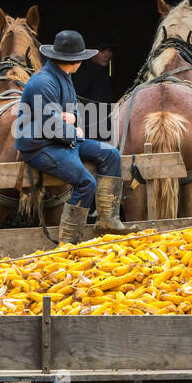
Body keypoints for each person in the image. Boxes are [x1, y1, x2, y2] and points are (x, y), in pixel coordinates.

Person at [15, 30, 138, 243]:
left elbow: (73, 114)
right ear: (77, 61)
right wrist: (71, 127)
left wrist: (69, 120)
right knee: (86, 184)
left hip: (64, 140)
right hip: (41, 147)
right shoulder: (42, 83)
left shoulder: (65, 77)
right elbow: (52, 127)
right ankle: (68, 242)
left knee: (111, 155)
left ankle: (108, 219)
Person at [70, 41, 115, 140]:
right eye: (102, 51)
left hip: (103, 123)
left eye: (110, 51)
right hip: (89, 125)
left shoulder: (103, 72)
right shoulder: (83, 72)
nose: (107, 55)